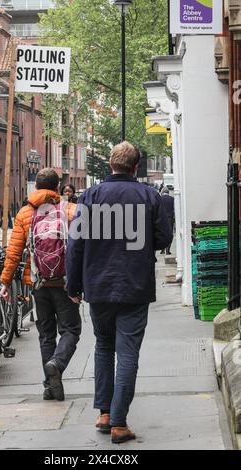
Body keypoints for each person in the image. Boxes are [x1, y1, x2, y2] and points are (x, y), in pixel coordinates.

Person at [66, 142, 172, 444]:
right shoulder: (149, 196)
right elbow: (163, 236)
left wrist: (73, 285)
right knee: (127, 353)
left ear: (111, 164)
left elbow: (75, 245)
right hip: (135, 285)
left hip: (97, 285)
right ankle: (119, 422)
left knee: (103, 346)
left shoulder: (90, 196)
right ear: (135, 167)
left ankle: (103, 412)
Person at [0, 169, 81, 401]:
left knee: (46, 334)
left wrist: (5, 281)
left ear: (35, 187)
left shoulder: (25, 213)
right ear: (58, 188)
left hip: (38, 282)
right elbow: (82, 248)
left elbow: (14, 252)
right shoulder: (70, 210)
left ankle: (49, 385)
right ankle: (57, 363)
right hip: (64, 283)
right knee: (71, 330)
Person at [160, 187, 175, 255]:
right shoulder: (172, 199)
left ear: (163, 192)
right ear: (168, 192)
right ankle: (167, 250)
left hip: (161, 219)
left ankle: (162, 249)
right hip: (170, 219)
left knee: (161, 234)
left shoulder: (159, 198)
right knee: (169, 234)